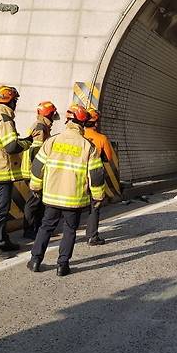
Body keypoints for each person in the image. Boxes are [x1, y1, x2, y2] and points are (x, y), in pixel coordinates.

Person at [27, 105, 105, 276]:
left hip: (52, 197)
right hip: (74, 199)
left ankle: (35, 260)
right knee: (70, 230)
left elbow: (37, 167)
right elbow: (96, 175)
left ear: (68, 121)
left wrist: (35, 187)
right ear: (83, 124)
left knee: (46, 227)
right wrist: (98, 196)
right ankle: (62, 265)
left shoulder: (52, 141)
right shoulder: (87, 146)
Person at [0, 85, 32, 257]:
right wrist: (28, 142)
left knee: (1, 208)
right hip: (0, 172)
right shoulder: (5, 119)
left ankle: (2, 240)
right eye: (15, 100)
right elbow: (11, 146)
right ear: (11, 100)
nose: (16, 104)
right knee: (0, 210)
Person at [22, 101, 59, 239]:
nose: (53, 118)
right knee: (34, 201)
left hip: (33, 170)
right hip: (34, 171)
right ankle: (30, 230)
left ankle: (38, 228)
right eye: (52, 115)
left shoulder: (42, 126)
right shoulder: (41, 128)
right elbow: (37, 153)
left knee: (39, 202)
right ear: (48, 114)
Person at [83, 108, 114, 246]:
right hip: (94, 176)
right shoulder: (101, 138)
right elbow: (108, 158)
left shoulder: (78, 136)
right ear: (96, 123)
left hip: (76, 175)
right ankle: (92, 236)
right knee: (94, 205)